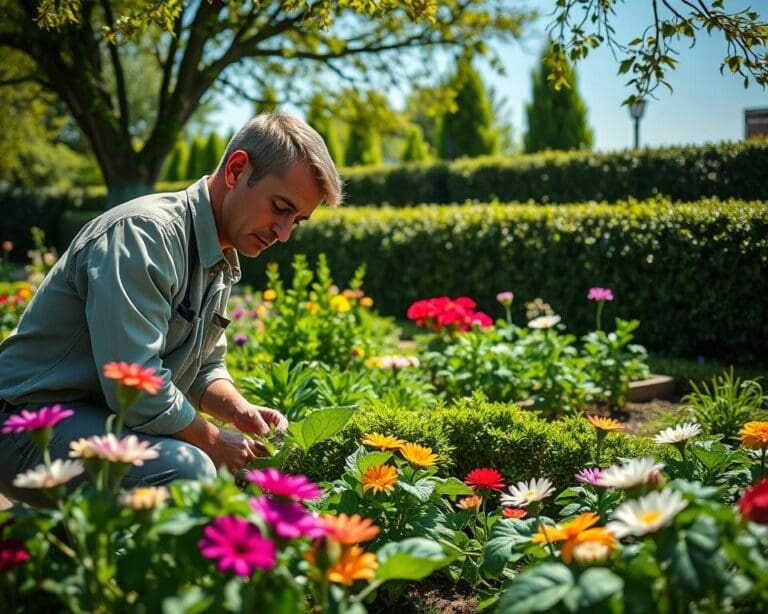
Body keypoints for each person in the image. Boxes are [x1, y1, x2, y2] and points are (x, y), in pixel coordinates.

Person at [0, 112, 343, 507]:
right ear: (236, 170)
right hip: (28, 425)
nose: (283, 234)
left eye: (296, 221)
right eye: (280, 208)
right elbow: (135, 382)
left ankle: (75, 544)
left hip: (99, 419)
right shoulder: (145, 235)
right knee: (188, 469)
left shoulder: (218, 255)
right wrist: (212, 440)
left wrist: (239, 411)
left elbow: (204, 366)